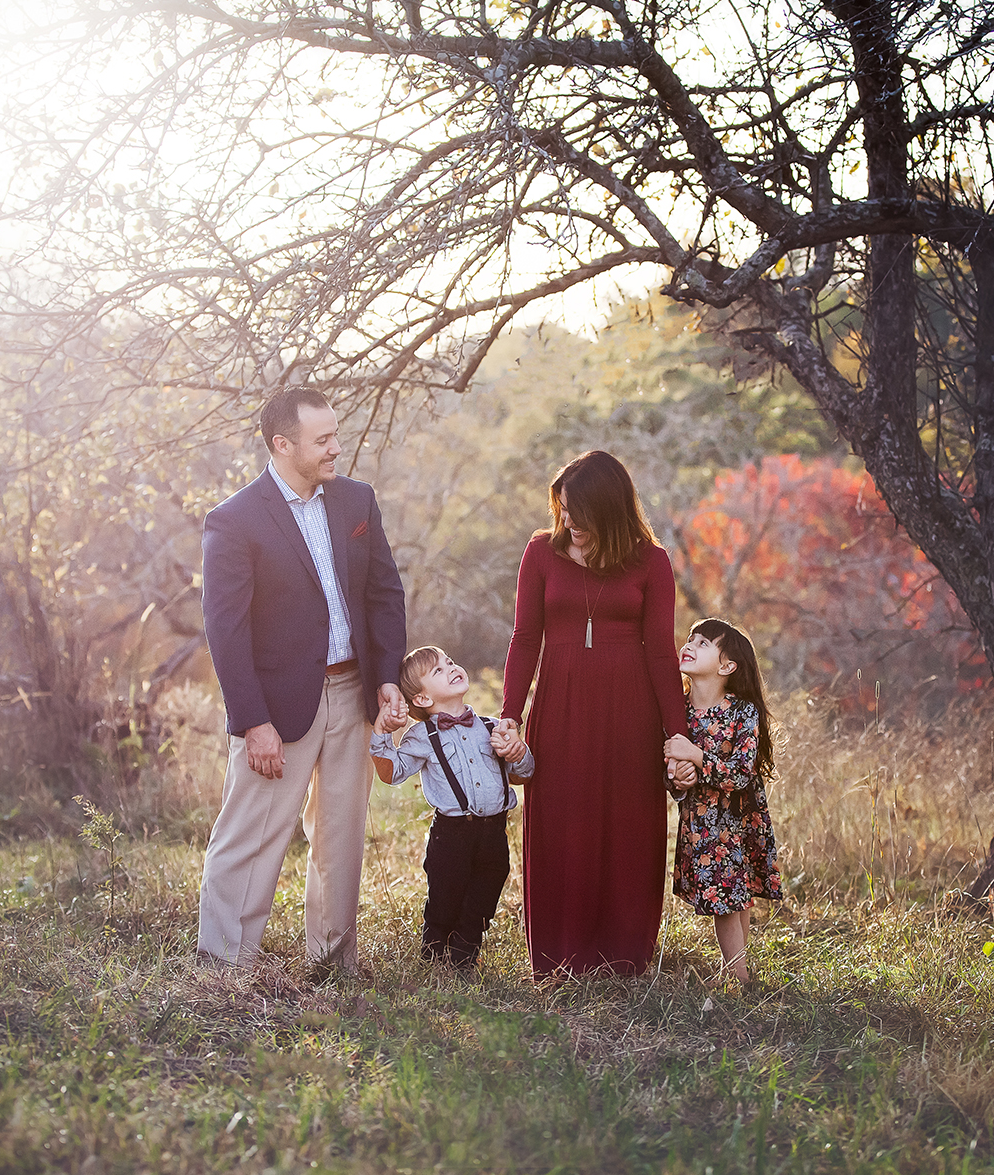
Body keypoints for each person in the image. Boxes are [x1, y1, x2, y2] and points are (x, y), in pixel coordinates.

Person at [197, 386, 408, 971]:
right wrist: (253, 721)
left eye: (336, 435)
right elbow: (226, 632)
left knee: (341, 839)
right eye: (323, 440)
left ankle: (332, 965)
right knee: (251, 835)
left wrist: (387, 677)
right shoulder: (233, 521)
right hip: (276, 705)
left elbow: (384, 594)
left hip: (351, 694)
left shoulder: (357, 503)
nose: (337, 448)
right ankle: (224, 968)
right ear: (282, 444)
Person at [501, 450, 688, 977]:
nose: (569, 524)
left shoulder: (652, 563)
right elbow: (525, 637)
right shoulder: (540, 552)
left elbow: (660, 652)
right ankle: (560, 955)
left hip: (631, 714)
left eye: (579, 515)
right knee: (562, 822)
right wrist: (509, 715)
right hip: (559, 709)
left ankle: (624, 956)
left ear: (610, 510)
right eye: (562, 510)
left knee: (628, 826)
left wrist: (677, 735)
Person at [370, 646, 533, 970]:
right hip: (452, 834)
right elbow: (393, 773)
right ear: (423, 699)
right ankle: (434, 950)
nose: (452, 668)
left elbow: (522, 775)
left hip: (493, 832)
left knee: (484, 895)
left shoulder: (491, 727)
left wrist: (517, 752)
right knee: (446, 896)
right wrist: (382, 734)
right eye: (439, 671)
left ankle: (464, 954)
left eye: (450, 662)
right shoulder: (422, 736)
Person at [663, 618, 783, 985]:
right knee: (731, 895)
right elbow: (670, 768)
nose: (690, 645)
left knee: (732, 896)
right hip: (702, 823)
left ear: (727, 666)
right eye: (690, 639)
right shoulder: (677, 712)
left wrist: (696, 756)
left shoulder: (741, 712)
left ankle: (738, 976)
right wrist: (677, 779)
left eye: (702, 643)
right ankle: (738, 970)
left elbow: (742, 774)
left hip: (737, 819)